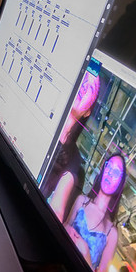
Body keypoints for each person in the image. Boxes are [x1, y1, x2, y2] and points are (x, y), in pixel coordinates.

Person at [43, 69, 101, 222]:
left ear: (87, 112)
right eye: (82, 80)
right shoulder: (43, 117)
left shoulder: (73, 158)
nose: (83, 87)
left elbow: (58, 207)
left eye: (90, 87)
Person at [64, 153, 127, 272]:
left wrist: (85, 252)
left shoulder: (111, 232)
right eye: (109, 167)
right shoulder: (81, 201)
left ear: (120, 183)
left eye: (116, 172)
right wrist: (67, 229)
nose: (110, 174)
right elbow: (63, 226)